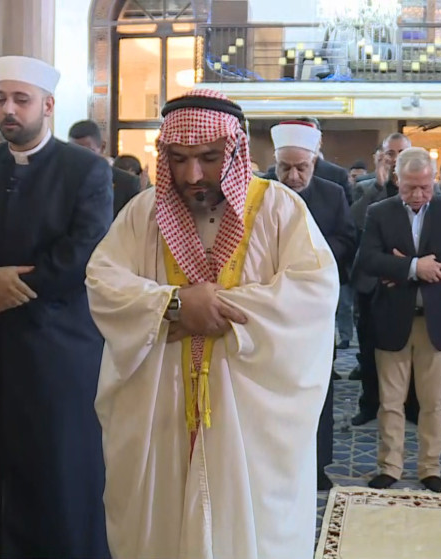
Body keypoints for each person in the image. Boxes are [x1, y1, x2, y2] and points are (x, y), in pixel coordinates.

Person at [85, 89, 339, 559]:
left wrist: (217, 309)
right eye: (178, 160)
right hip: (158, 409)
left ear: (236, 151)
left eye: (208, 158)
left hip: (248, 416)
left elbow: (313, 291)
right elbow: (104, 280)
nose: (192, 175)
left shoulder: (278, 208)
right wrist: (174, 304)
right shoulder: (143, 213)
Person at [0, 56, 113, 558]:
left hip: (55, 346)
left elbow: (84, 249)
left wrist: (15, 288)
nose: (8, 109)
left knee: (55, 468)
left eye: (21, 100)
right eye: (1, 99)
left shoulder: (86, 170)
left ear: (48, 106)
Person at [357, 147, 441, 492]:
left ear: (433, 179)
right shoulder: (380, 212)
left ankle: (429, 467)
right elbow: (368, 259)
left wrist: (406, 268)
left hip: (436, 320)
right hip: (392, 317)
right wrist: (412, 267)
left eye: (425, 186)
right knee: (390, 401)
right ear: (397, 180)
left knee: (433, 401)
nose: (418, 195)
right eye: (410, 188)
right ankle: (390, 466)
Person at [270, 120, 356, 491]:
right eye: (285, 167)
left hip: (315, 310)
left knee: (317, 388)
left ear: (314, 163)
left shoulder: (332, 194)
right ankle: (275, 464)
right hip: (270, 309)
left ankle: (318, 465)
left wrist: (310, 255)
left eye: (301, 168)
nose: (292, 176)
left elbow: (347, 240)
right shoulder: (260, 190)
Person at [349, 132, 414, 427]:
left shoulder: (422, 186)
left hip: (408, 280)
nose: (396, 159)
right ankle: (369, 404)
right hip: (371, 282)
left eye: (402, 153)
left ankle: (409, 405)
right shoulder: (365, 186)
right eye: (390, 153)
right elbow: (355, 221)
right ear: (381, 156)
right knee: (369, 348)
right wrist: (378, 184)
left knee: (409, 347)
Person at [68, 120, 140, 217]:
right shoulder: (60, 181)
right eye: (74, 152)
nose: (80, 159)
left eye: (87, 152)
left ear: (102, 147)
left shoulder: (127, 183)